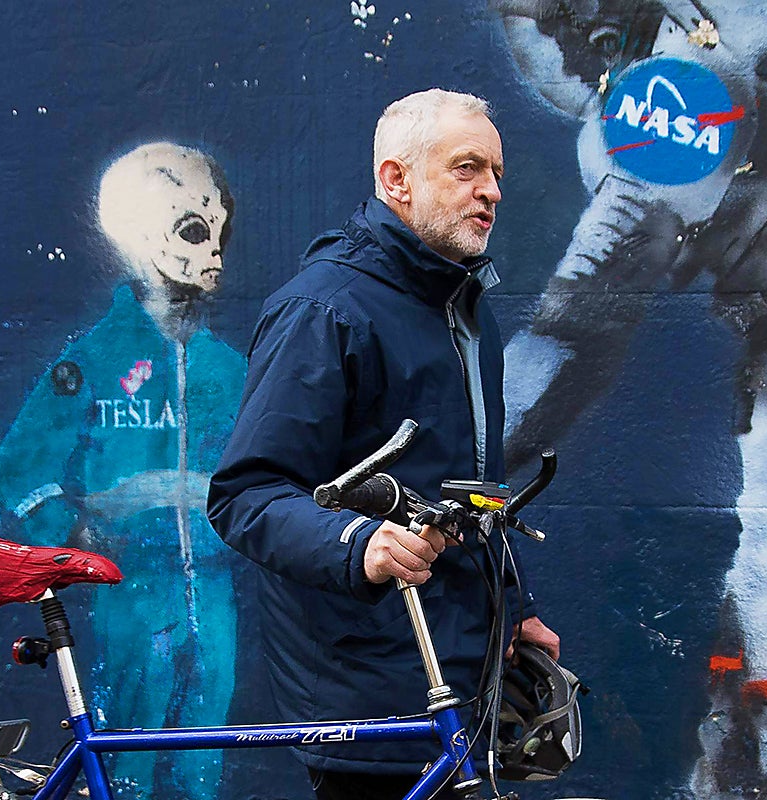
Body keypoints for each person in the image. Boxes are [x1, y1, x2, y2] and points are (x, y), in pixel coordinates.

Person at [206, 89, 560, 799]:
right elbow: (244, 495)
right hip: (372, 679)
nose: (491, 190)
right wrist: (355, 545)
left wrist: (513, 606)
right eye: (466, 168)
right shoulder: (324, 309)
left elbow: (470, 486)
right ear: (397, 180)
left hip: (458, 664)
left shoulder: (464, 313)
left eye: (495, 171)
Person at [0, 142, 245, 800]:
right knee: (127, 764)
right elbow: (22, 466)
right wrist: (78, 531)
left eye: (221, 230)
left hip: (214, 598)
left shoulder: (230, 370)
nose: (215, 252)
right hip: (132, 596)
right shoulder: (94, 360)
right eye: (194, 230)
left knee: (202, 764)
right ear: (136, 233)